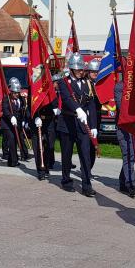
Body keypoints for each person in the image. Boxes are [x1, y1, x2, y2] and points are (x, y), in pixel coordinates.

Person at [57, 53, 96, 197]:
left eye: (82, 69)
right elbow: (67, 99)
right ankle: (66, 181)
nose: (81, 71)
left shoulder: (87, 83)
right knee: (67, 155)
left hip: (83, 124)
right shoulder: (63, 82)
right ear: (72, 69)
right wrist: (78, 109)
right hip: (68, 123)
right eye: (78, 69)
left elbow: (91, 104)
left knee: (85, 155)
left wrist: (93, 125)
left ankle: (87, 185)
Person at [113, 59, 135, 197]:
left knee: (133, 155)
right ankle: (131, 185)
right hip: (124, 126)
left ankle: (123, 181)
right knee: (128, 154)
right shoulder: (119, 87)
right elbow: (121, 106)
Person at [0, 77, 27, 168]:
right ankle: (14, 161)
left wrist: (23, 120)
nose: (17, 94)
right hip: (7, 124)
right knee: (11, 139)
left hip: (17, 124)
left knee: (15, 141)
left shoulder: (21, 99)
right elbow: (5, 110)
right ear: (11, 92)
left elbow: (23, 110)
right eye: (15, 93)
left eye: (18, 92)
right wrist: (11, 117)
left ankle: (11, 161)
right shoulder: (6, 99)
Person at [85, 59, 103, 169]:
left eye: (96, 71)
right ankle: (86, 167)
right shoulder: (85, 83)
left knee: (94, 143)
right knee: (86, 143)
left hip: (97, 116)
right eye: (92, 71)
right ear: (88, 72)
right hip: (86, 116)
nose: (95, 73)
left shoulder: (100, 84)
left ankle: (89, 167)